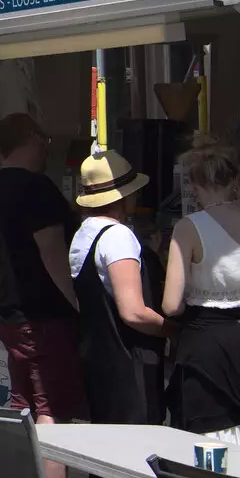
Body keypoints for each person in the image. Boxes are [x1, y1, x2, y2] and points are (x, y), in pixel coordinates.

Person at [159, 137, 240, 478]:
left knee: (199, 444)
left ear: (196, 184)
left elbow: (172, 304)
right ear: (236, 180)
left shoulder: (189, 227)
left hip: (204, 344)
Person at [0, 112, 83, 478]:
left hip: (11, 314)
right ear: (31, 139)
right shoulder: (35, 188)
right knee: (50, 408)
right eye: (43, 139)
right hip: (42, 316)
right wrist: (77, 303)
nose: (47, 147)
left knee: (23, 405)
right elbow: (54, 253)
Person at [70, 149, 169, 427]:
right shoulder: (118, 236)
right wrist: (175, 331)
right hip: (129, 366)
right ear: (123, 196)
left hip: (98, 360)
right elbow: (134, 312)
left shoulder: (84, 233)